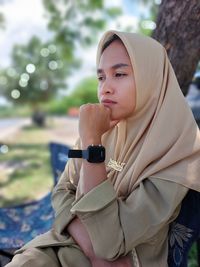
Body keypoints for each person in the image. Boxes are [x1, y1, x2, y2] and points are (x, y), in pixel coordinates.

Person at [6, 30, 200, 267]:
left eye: (119, 74)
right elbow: (62, 190)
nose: (105, 88)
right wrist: (91, 249)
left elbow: (110, 243)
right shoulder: (100, 129)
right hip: (63, 246)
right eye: (101, 77)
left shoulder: (177, 151)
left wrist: (92, 147)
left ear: (151, 79)